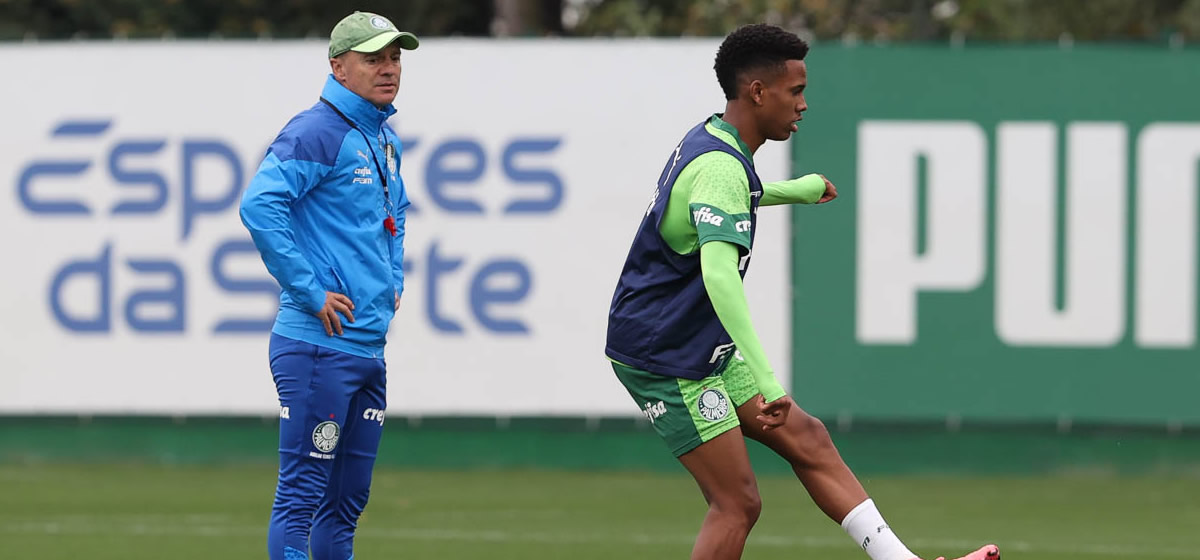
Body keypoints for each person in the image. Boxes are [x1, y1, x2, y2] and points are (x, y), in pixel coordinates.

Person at [604, 23, 999, 560]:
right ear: (758, 92)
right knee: (737, 503)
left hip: (694, 343)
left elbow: (708, 200)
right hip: (664, 354)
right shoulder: (720, 167)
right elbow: (719, 275)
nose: (804, 104)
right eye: (796, 91)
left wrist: (796, 190)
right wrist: (768, 378)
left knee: (807, 438)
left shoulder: (715, 141)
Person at [239, 11, 416, 560]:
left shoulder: (382, 138)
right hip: (317, 347)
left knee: (343, 511)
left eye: (394, 58)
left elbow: (396, 214)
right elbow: (259, 206)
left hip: (365, 347)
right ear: (339, 68)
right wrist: (310, 291)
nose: (388, 70)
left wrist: (391, 280)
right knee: (301, 502)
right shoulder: (319, 129)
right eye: (373, 59)